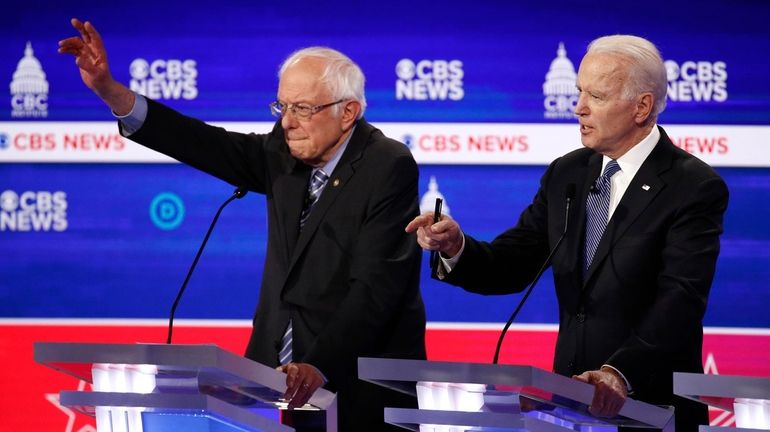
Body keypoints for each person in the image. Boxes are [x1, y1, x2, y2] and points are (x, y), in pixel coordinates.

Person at [59, 18, 426, 432]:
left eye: (302, 108)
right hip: (271, 384)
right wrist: (113, 92)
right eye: (282, 106)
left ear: (348, 113)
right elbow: (207, 144)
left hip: (358, 388)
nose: (287, 122)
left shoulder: (386, 165)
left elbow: (376, 289)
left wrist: (319, 365)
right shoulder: (286, 151)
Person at [407, 35, 728, 431]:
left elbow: (680, 299)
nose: (579, 108)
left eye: (596, 95)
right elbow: (513, 263)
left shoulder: (691, 185)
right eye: (579, 92)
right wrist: (457, 247)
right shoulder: (568, 174)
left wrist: (617, 373)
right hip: (572, 408)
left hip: (652, 406)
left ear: (641, 106)